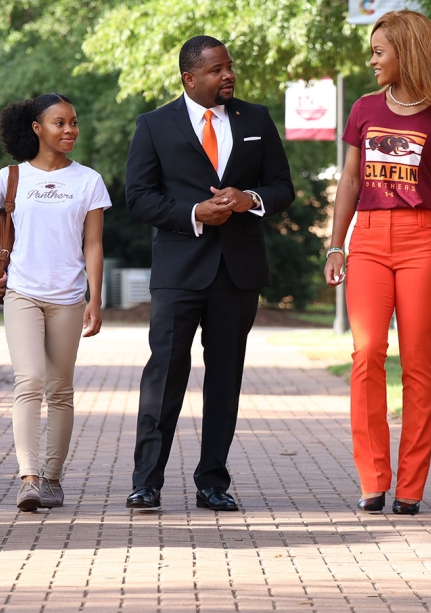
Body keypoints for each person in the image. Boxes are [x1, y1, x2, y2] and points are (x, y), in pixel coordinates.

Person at [124, 35, 294, 512]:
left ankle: (212, 482)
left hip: (238, 272)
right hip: (180, 271)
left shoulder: (256, 118)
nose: (228, 75)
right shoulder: (154, 125)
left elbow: (282, 187)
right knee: (165, 374)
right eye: (217, 69)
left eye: (229, 67)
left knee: (225, 378)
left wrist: (250, 200)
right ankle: (147, 481)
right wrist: (194, 211)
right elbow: (137, 198)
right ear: (189, 78)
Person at [323, 10, 431, 516]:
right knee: (366, 353)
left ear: (406, 54)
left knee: (417, 362)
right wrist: (335, 244)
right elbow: (348, 182)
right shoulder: (364, 109)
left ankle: (411, 485)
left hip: (422, 240)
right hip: (367, 238)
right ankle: (372, 478)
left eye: (379, 52)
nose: (372, 61)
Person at [0, 93, 110, 512]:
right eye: (59, 123)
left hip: (67, 297)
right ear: (36, 128)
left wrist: (94, 298)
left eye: (74, 123)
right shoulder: (9, 178)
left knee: (60, 389)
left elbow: (94, 243)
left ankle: (53, 478)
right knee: (29, 381)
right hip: (21, 293)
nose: (69, 131)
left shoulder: (88, 180)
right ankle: (28, 478)